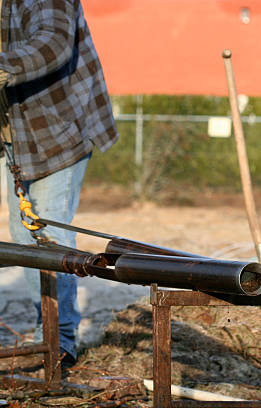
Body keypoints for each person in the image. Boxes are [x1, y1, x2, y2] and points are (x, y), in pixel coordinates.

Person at [0, 0, 119, 369]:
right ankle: (47, 327)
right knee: (23, 241)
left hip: (60, 133)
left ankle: (60, 340)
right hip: (18, 140)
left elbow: (52, 43)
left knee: (51, 242)